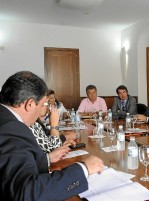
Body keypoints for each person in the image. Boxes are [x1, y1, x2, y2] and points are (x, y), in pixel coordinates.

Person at [0, 71, 103, 200]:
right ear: (30, 104)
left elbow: (15, 164)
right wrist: (84, 168)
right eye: (43, 104)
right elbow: (27, 192)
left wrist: (47, 159)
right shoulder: (11, 128)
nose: (46, 109)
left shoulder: (6, 118)